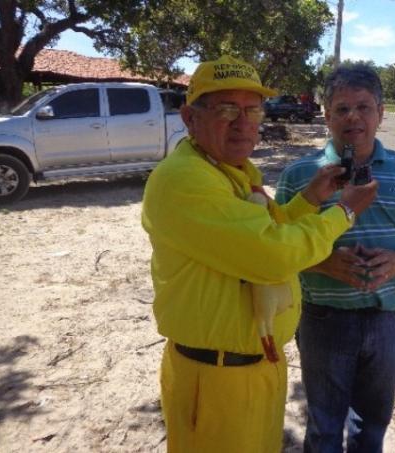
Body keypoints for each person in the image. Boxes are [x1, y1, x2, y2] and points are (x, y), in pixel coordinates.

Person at [141, 55, 378, 453]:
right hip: (215, 376)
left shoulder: (230, 170)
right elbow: (272, 254)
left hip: (253, 367)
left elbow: (266, 228)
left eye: (252, 109)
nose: (243, 122)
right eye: (226, 109)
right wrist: (345, 211)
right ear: (189, 118)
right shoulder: (185, 180)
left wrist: (309, 198)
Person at [275, 63, 395, 452]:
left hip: (390, 318)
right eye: (342, 108)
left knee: (373, 424)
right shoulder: (300, 175)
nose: (353, 117)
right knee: (325, 424)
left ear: (380, 114)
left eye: (364, 107)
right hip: (323, 318)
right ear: (326, 115)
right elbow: (278, 246)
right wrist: (323, 262)